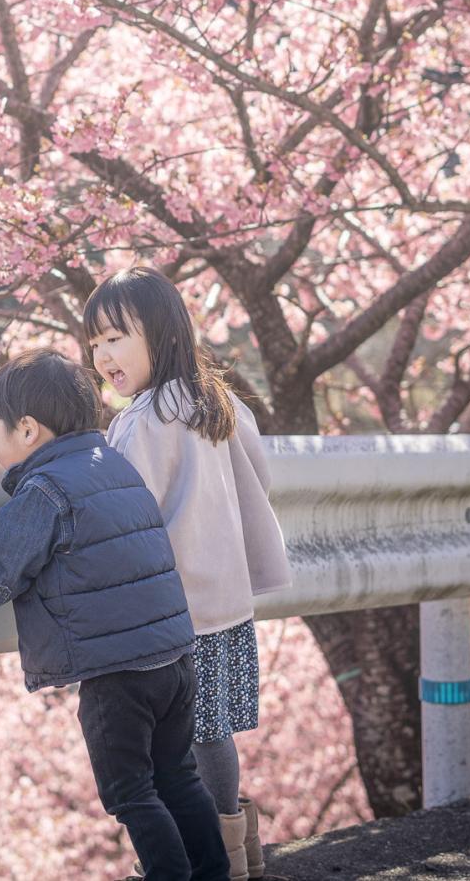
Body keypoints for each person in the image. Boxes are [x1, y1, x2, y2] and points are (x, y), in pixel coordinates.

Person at [0, 348, 227, 881]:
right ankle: (214, 873)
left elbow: (8, 567)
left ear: (27, 430)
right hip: (174, 656)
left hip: (116, 672)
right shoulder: (116, 468)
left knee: (129, 790)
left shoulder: (43, 489)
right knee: (178, 774)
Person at [84, 267, 292, 881]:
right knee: (213, 732)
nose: (103, 355)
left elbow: (121, 510)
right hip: (226, 601)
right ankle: (239, 855)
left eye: (116, 337)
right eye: (94, 343)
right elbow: (260, 479)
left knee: (171, 750)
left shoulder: (140, 420)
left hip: (173, 611)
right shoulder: (218, 402)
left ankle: (212, 863)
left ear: (164, 334)